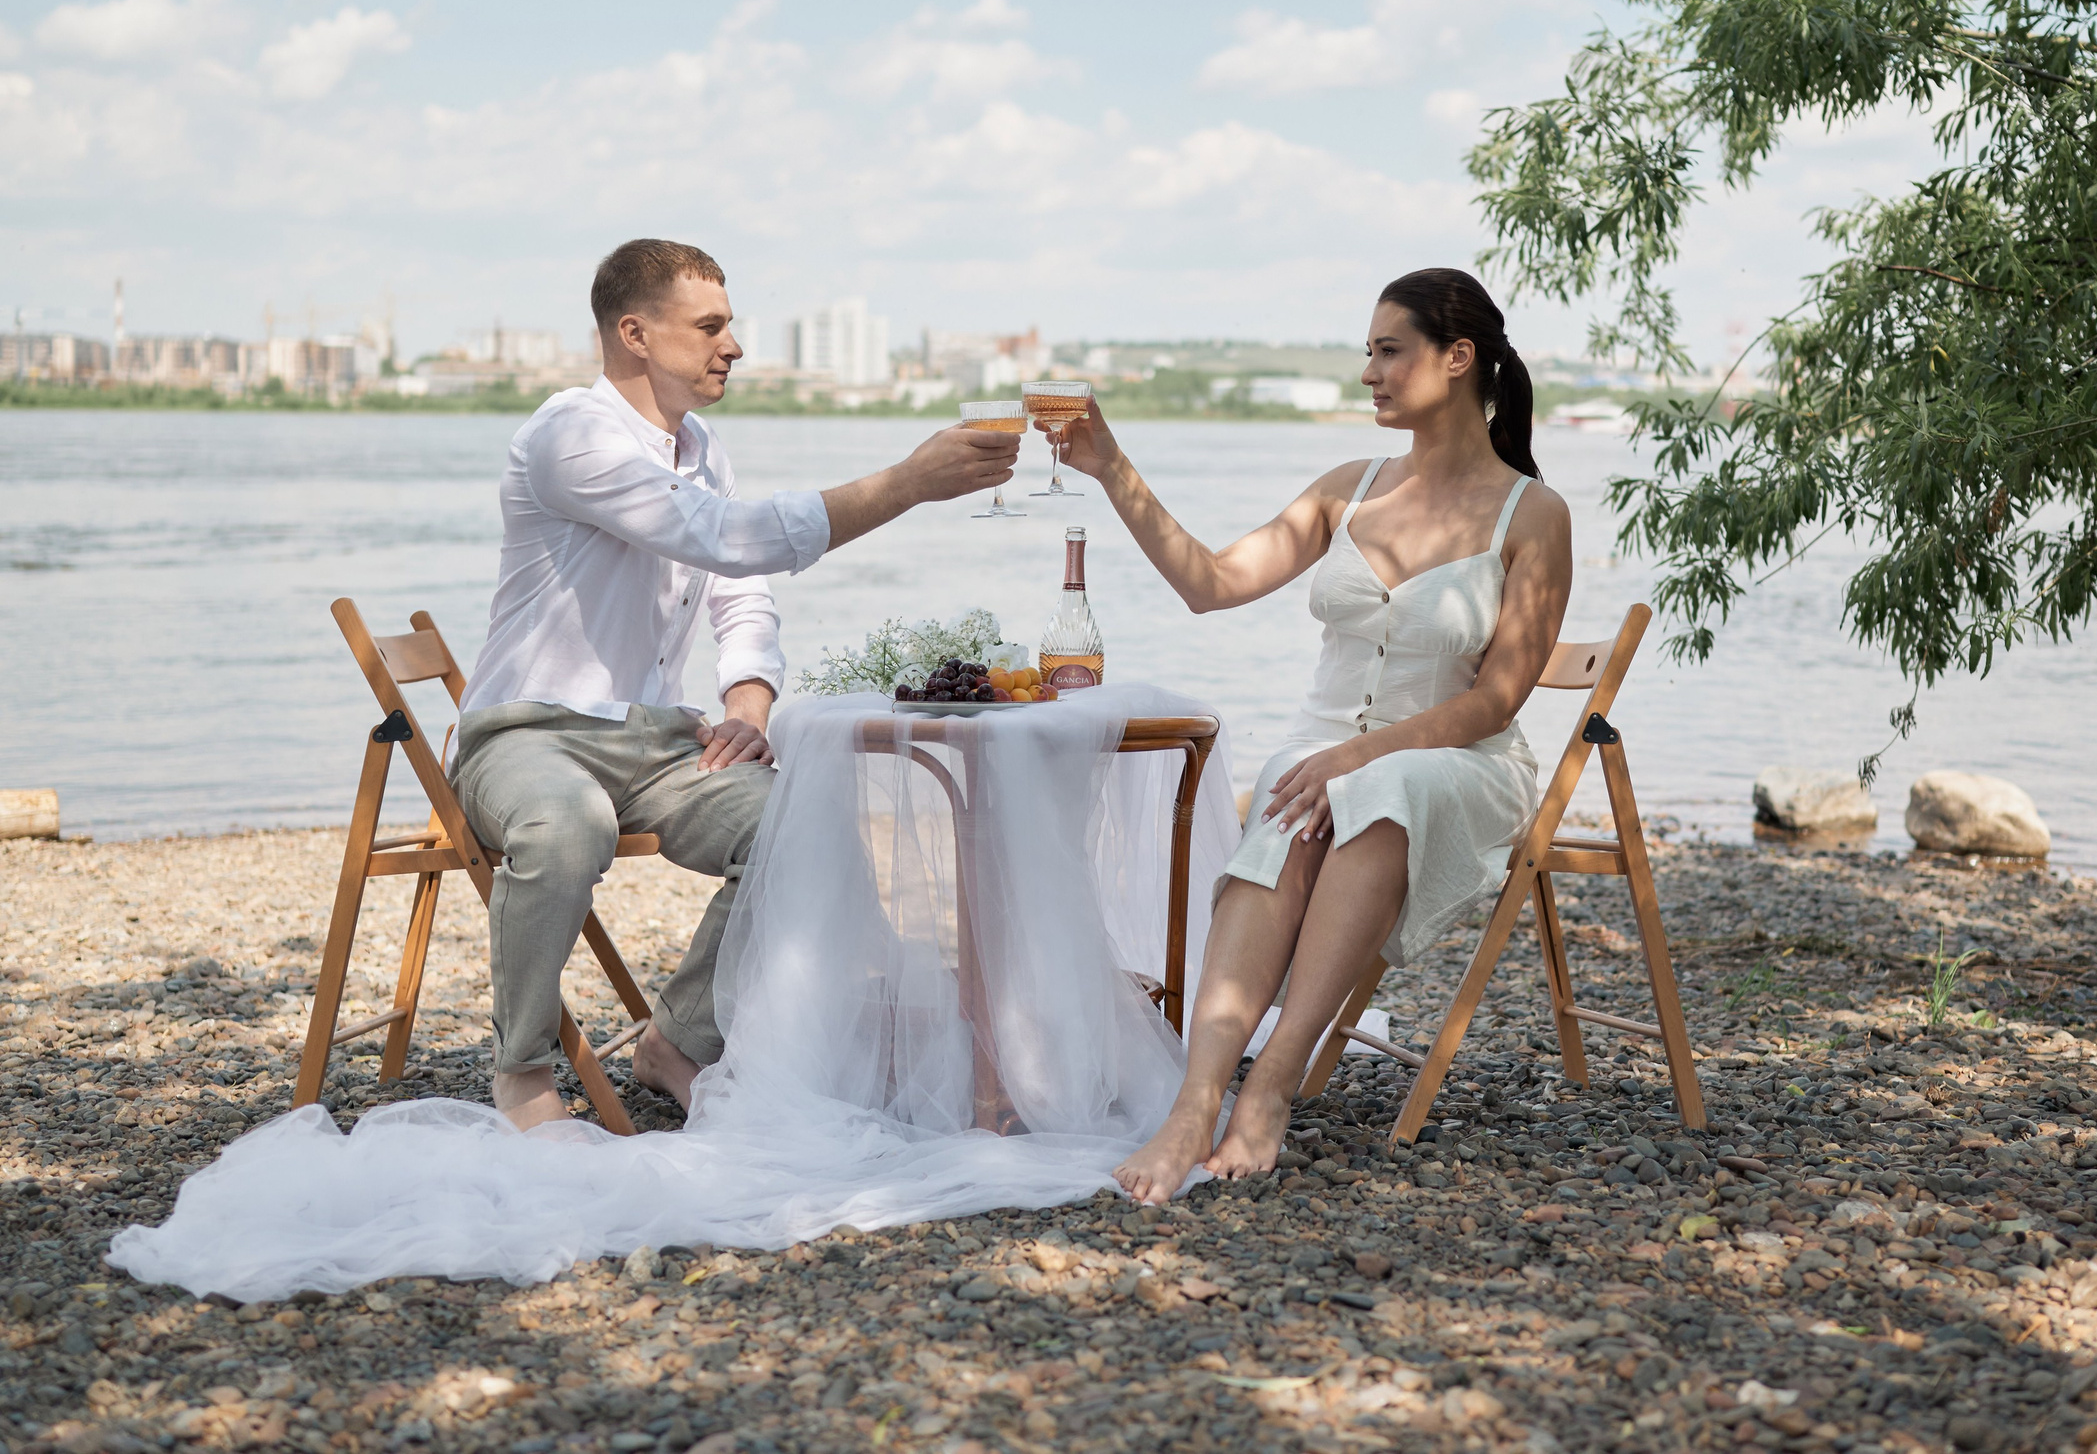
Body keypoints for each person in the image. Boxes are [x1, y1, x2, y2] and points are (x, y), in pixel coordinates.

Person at [454, 238, 1018, 1130]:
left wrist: (748, 698)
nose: (734, 345)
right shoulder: (570, 435)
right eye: (711, 326)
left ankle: (677, 1041)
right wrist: (907, 483)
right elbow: (724, 536)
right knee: (567, 823)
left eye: (731, 325)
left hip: (651, 741)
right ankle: (522, 1067)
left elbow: (738, 590)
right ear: (635, 333)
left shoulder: (701, 445)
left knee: (805, 825)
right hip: (525, 734)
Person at [1045, 267, 1572, 1203]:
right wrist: (1109, 464)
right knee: (1301, 787)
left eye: (1387, 349)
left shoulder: (1533, 515)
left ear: (1457, 359)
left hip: (1459, 764)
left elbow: (1494, 702)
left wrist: (1359, 755)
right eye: (1366, 352)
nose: (1368, 372)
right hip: (1326, 759)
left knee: (1371, 786)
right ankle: (1197, 1098)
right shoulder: (1347, 489)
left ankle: (1274, 1088)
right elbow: (1209, 582)